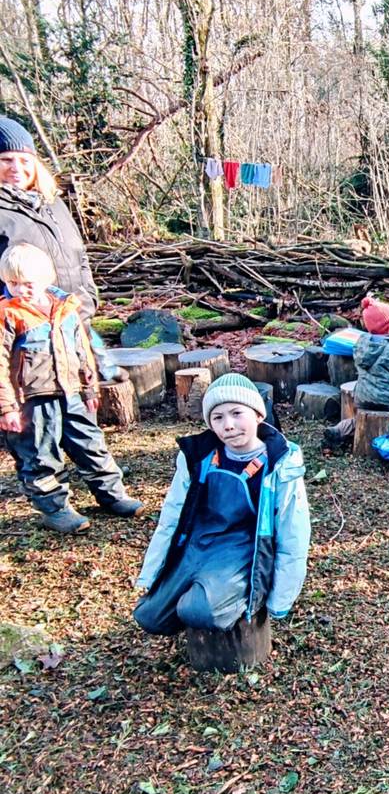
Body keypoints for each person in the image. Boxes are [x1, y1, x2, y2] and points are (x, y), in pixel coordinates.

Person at [134, 373, 310, 635]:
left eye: (237, 413)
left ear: (258, 415)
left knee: (197, 611)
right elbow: (170, 516)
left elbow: (293, 533)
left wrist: (279, 601)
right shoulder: (197, 457)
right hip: (198, 544)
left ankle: (217, 598)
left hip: (241, 550)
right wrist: (150, 574)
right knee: (149, 617)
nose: (228, 425)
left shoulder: (279, 464)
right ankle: (198, 590)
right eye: (218, 417)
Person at [0, 244, 143, 533]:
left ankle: (112, 495)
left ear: (46, 278)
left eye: (27, 284)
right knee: (40, 456)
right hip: (32, 400)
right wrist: (6, 407)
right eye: (12, 283)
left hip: (72, 392)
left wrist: (90, 389)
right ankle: (54, 509)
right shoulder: (8, 314)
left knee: (91, 445)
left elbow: (82, 350)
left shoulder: (65, 308)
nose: (21, 290)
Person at [0, 117, 122, 381]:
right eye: (6, 160)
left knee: (83, 403)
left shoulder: (52, 203)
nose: (16, 168)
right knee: (41, 409)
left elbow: (80, 257)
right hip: (27, 335)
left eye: (24, 160)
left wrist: (88, 298)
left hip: (73, 319)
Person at [323, 296, 389, 448]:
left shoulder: (362, 343)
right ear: (386, 327)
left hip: (364, 398)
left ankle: (339, 430)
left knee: (359, 419)